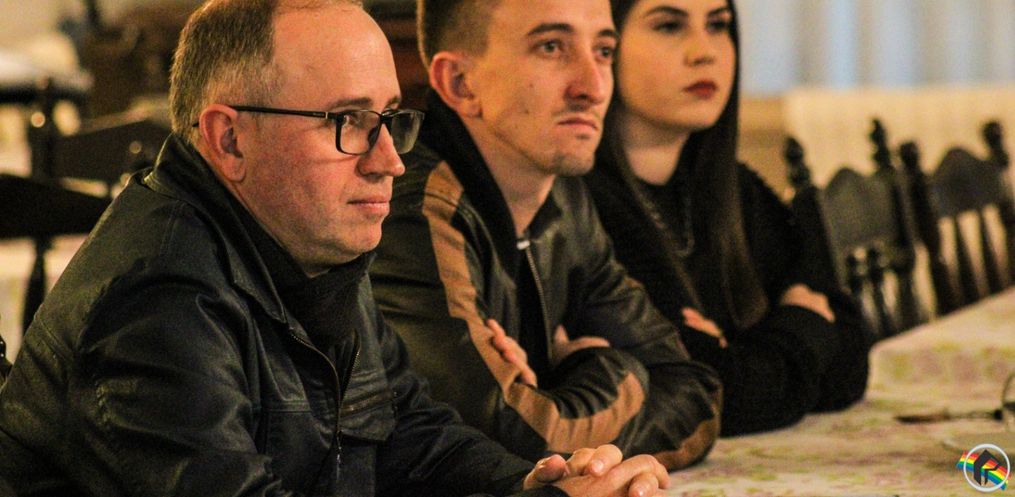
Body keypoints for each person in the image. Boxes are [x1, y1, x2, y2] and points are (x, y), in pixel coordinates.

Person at [0, 1, 673, 496]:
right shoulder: (158, 301)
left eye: (389, 120)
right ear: (229, 139)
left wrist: (535, 481)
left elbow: (409, 435)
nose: (389, 161)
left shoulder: (305, 240)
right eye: (348, 121)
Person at [369, 0, 721, 470]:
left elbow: (697, 394)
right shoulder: (413, 209)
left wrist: (556, 394)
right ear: (460, 83)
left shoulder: (567, 198)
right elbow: (501, 448)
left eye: (603, 51)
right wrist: (610, 369)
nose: (594, 88)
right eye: (551, 47)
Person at [584, 0, 872, 436]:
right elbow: (712, 398)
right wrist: (803, 323)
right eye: (669, 26)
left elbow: (850, 361)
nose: (705, 52)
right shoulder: (584, 206)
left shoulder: (736, 187)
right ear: (605, 45)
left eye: (718, 25)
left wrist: (747, 355)